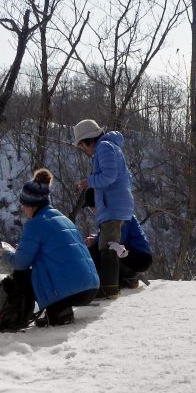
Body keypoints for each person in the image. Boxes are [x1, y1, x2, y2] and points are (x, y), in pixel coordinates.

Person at [4, 169, 99, 327]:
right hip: (91, 287)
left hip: (71, 291)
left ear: (32, 205)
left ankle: (54, 312)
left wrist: (6, 254)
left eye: (24, 204)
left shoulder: (35, 224)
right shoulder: (64, 219)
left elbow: (21, 263)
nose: (23, 208)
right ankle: (61, 310)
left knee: (21, 274)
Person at [73, 118, 135, 298]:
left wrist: (88, 182)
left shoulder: (104, 148)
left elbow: (109, 176)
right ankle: (111, 285)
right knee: (108, 244)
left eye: (83, 145)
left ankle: (110, 288)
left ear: (89, 140)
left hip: (113, 205)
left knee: (108, 246)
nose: (84, 150)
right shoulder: (110, 147)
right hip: (115, 204)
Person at [81, 187, 152, 287]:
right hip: (132, 254)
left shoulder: (117, 214)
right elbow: (109, 235)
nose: (93, 210)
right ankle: (124, 277)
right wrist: (95, 238)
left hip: (139, 257)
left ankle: (129, 276)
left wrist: (96, 241)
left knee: (100, 251)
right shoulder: (110, 213)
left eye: (93, 207)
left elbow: (116, 238)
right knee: (98, 249)